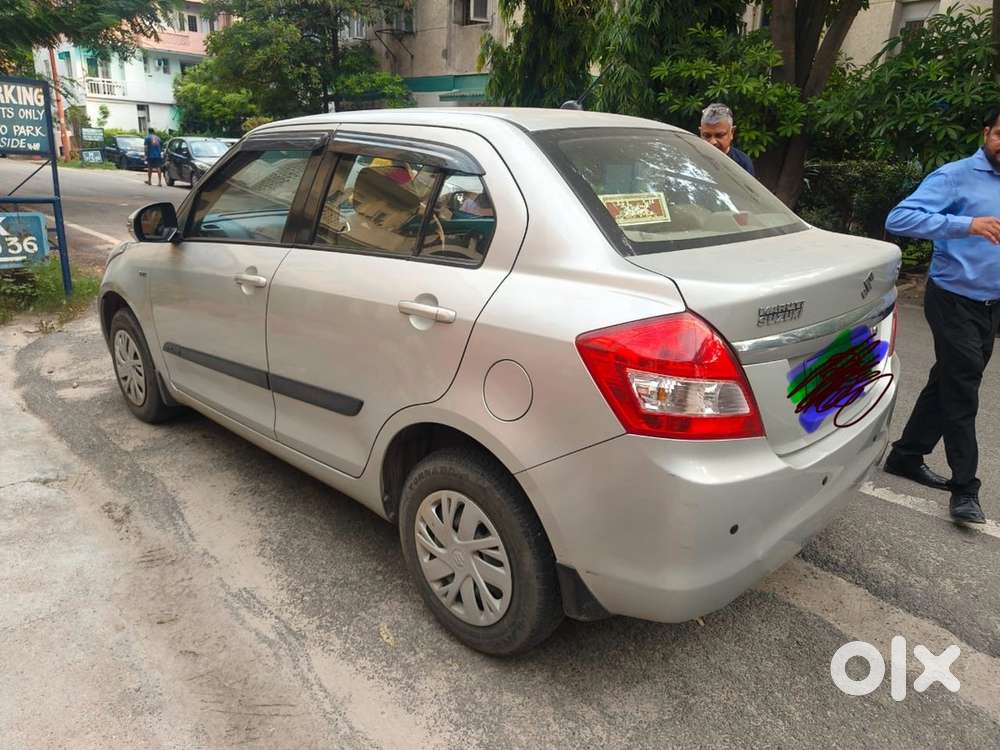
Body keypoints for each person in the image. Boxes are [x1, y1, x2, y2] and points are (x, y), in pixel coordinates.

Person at [881, 107, 1000, 524]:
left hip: (991, 304)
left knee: (948, 378)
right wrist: (967, 225)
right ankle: (965, 489)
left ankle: (906, 455)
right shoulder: (955, 176)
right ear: (986, 133)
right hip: (952, 300)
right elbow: (899, 218)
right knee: (962, 388)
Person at [699, 103, 755, 176]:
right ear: (700, 132)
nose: (712, 142)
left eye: (719, 135)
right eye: (707, 136)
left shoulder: (742, 163)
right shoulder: (692, 157)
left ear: (732, 132)